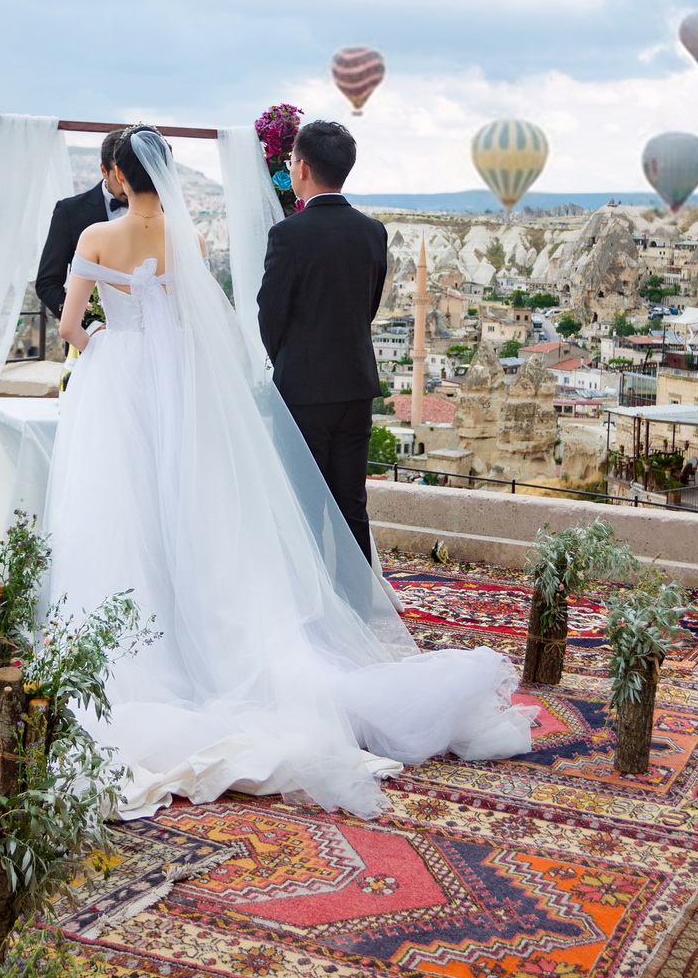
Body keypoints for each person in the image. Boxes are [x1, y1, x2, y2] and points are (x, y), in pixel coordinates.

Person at [43, 125, 532, 819]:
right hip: (188, 387)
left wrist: (101, 345)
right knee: (210, 504)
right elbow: (197, 323)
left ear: (117, 176)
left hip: (122, 379)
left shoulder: (95, 236)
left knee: (121, 511)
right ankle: (320, 611)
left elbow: (69, 328)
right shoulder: (196, 240)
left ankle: (143, 638)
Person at [256, 119, 384, 565]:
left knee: (304, 506)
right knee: (352, 503)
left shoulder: (289, 235)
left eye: (291, 161)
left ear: (302, 168)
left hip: (304, 389)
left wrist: (286, 359)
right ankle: (357, 602)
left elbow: (269, 315)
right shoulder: (373, 232)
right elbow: (368, 306)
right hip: (356, 383)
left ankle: (315, 610)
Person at [34, 131, 125, 324]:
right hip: (87, 340)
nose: (127, 186)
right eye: (120, 178)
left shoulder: (162, 212)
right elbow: (47, 283)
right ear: (103, 170)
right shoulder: (70, 211)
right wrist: (90, 324)